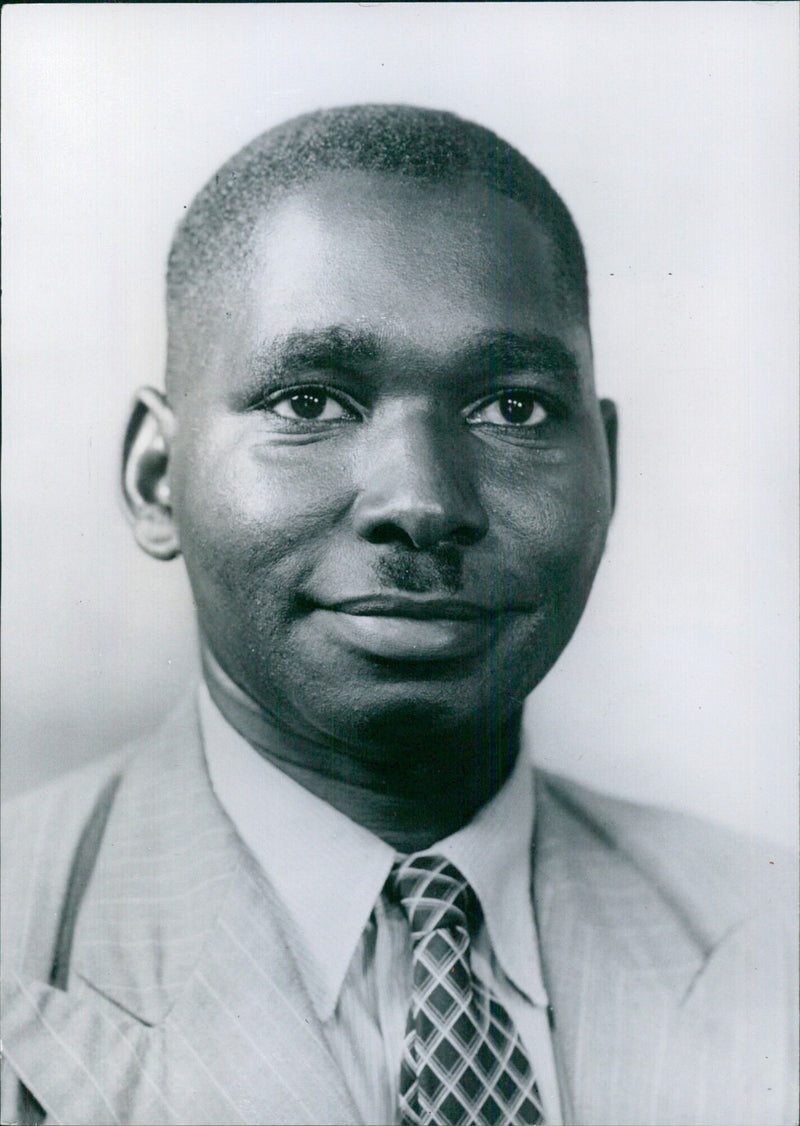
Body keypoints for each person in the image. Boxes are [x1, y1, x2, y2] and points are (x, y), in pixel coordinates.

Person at [1, 105, 795, 1126]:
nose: (422, 500)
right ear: (156, 478)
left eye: (510, 408)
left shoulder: (773, 936)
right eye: (309, 402)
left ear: (606, 469)